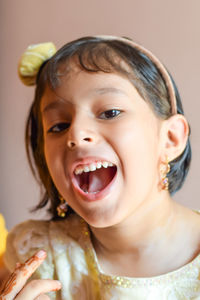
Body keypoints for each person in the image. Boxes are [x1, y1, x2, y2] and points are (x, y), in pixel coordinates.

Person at [0, 35, 200, 300]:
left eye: (110, 113)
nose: (77, 133)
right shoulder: (32, 256)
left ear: (171, 139)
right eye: (59, 126)